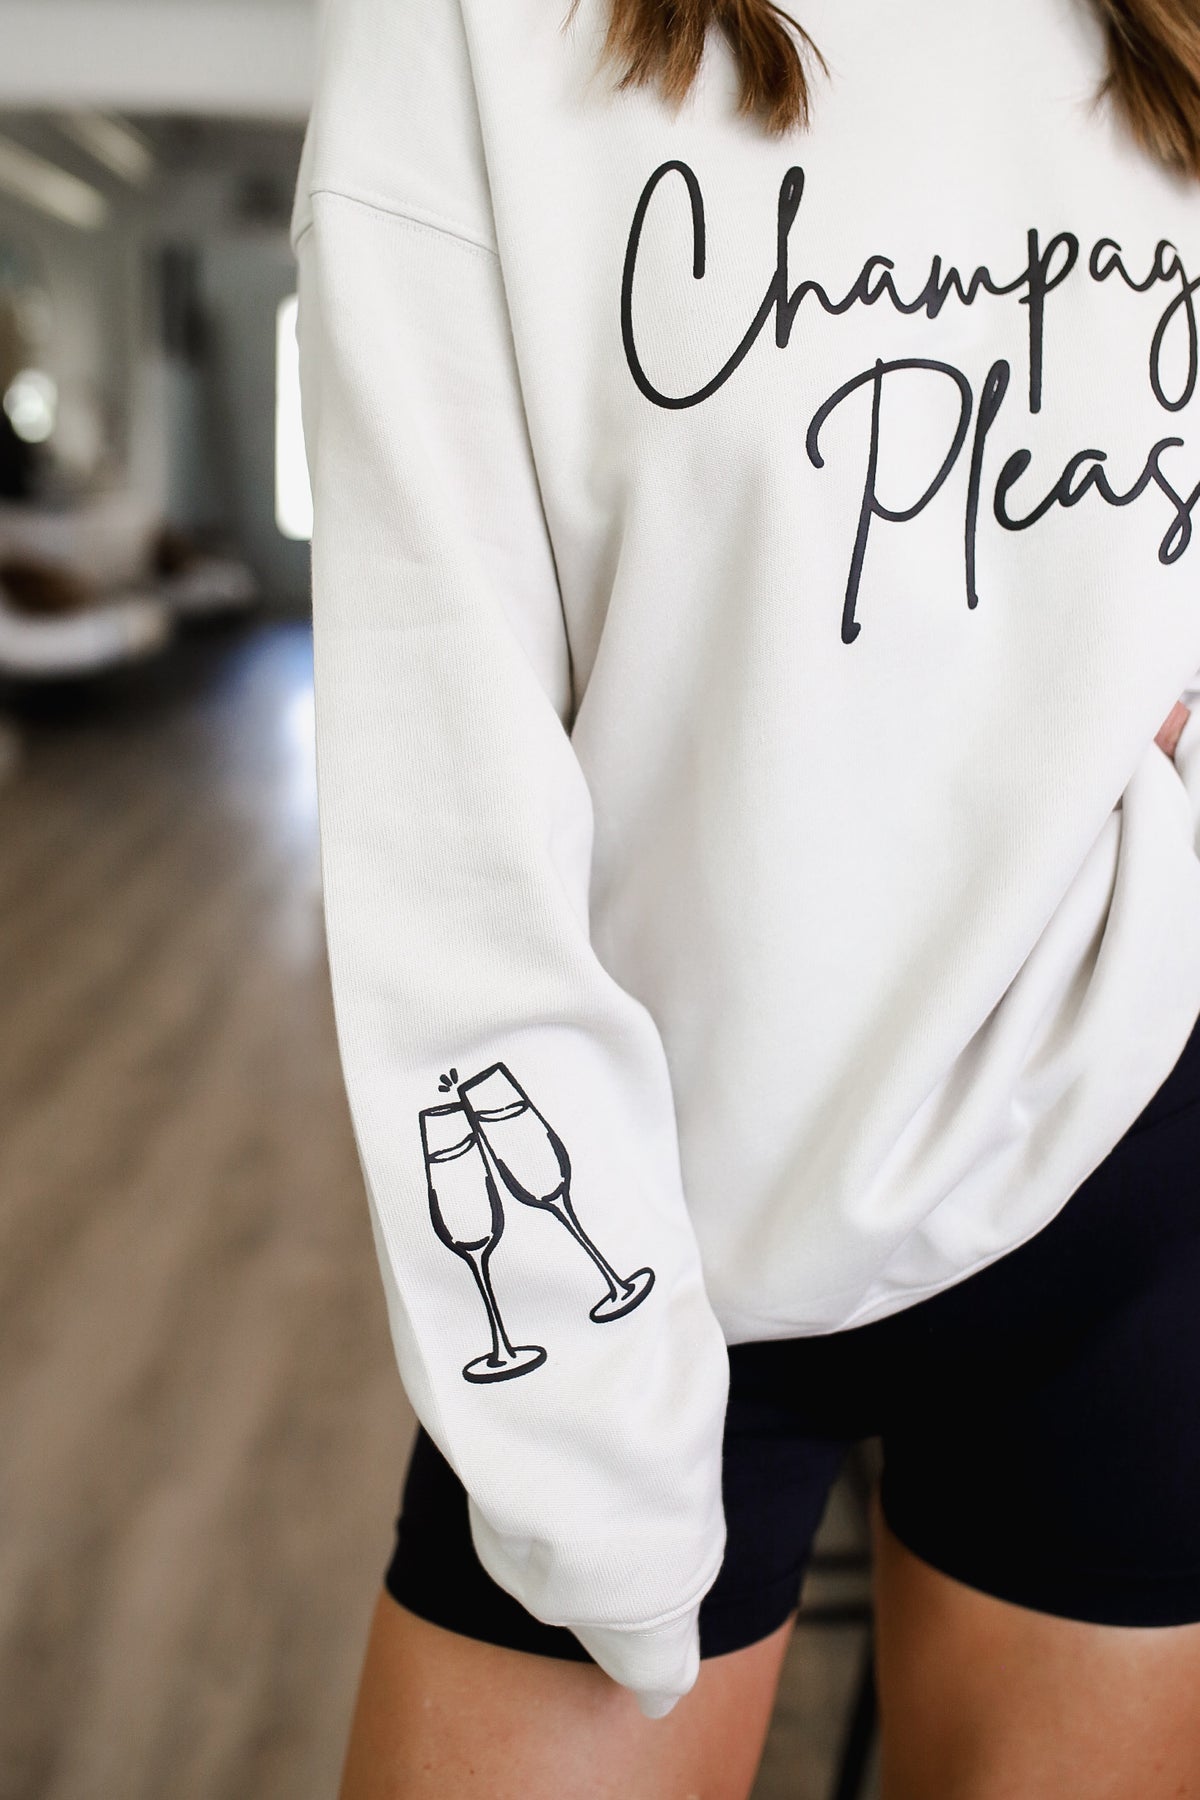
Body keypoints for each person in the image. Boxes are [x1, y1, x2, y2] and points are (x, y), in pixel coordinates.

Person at [290, 1, 1200, 1792]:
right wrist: (582, 1450)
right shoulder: (475, 34)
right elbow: (444, 801)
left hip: (1127, 1175)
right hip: (644, 1213)